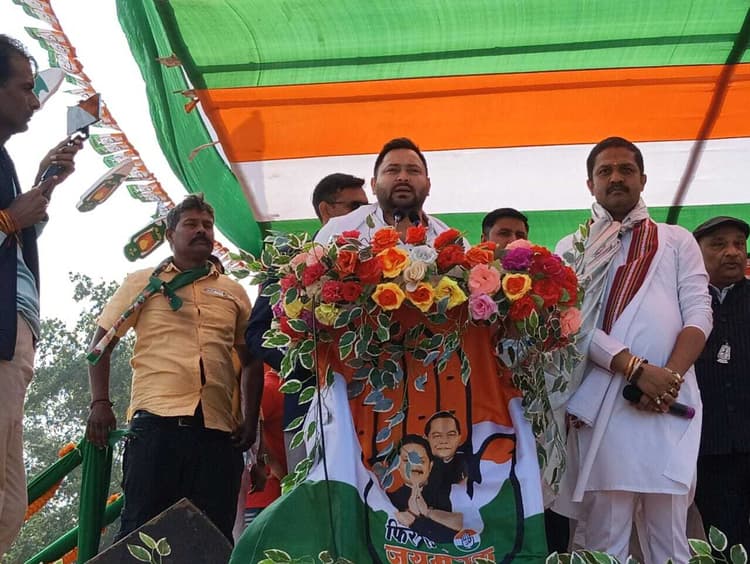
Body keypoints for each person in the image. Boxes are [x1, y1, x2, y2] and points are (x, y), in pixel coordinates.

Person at [555, 136, 712, 563]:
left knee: (671, 539)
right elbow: (571, 325)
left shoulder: (676, 240)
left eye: (626, 169)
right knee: (605, 535)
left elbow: (699, 312)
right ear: (590, 184)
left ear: (643, 179)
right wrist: (638, 370)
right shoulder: (572, 249)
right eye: (605, 171)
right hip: (605, 404)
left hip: (670, 403)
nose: (616, 178)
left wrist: (668, 379)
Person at [85, 194, 259, 543]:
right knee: (141, 535)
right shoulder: (143, 282)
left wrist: (250, 420)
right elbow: (100, 346)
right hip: (156, 428)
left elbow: (251, 359)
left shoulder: (235, 292)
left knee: (212, 540)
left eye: (207, 225)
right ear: (170, 235)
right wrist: (100, 403)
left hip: (218, 434)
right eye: (191, 224)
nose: (201, 231)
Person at [0, 34, 82, 555]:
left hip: (16, 337)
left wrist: (44, 186)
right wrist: (9, 218)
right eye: (26, 88)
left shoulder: (4, 162)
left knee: (10, 503)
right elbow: (10, 226)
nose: (35, 101)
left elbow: (16, 239)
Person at [246, 172, 367, 472]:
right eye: (355, 207)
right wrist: (299, 359)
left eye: (367, 208)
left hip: (370, 408)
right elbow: (256, 331)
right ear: (326, 210)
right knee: (311, 497)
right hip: (307, 406)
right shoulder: (291, 263)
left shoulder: (378, 262)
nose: (364, 216)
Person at [693, 216, 750, 549]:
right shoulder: (683, 304)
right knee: (725, 542)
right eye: (719, 244)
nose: (732, 252)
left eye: (739, 244)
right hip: (709, 446)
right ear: (695, 252)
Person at [315, 137, 453, 245]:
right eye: (392, 170)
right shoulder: (336, 232)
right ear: (374, 184)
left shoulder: (451, 242)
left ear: (428, 185)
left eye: (413, 170)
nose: (403, 177)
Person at [388, 435, 463, 543]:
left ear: (430, 466)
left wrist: (426, 513)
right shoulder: (390, 499)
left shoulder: (449, 493)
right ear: (398, 466)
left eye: (420, 461)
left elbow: (463, 529)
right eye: (407, 460)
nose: (414, 466)